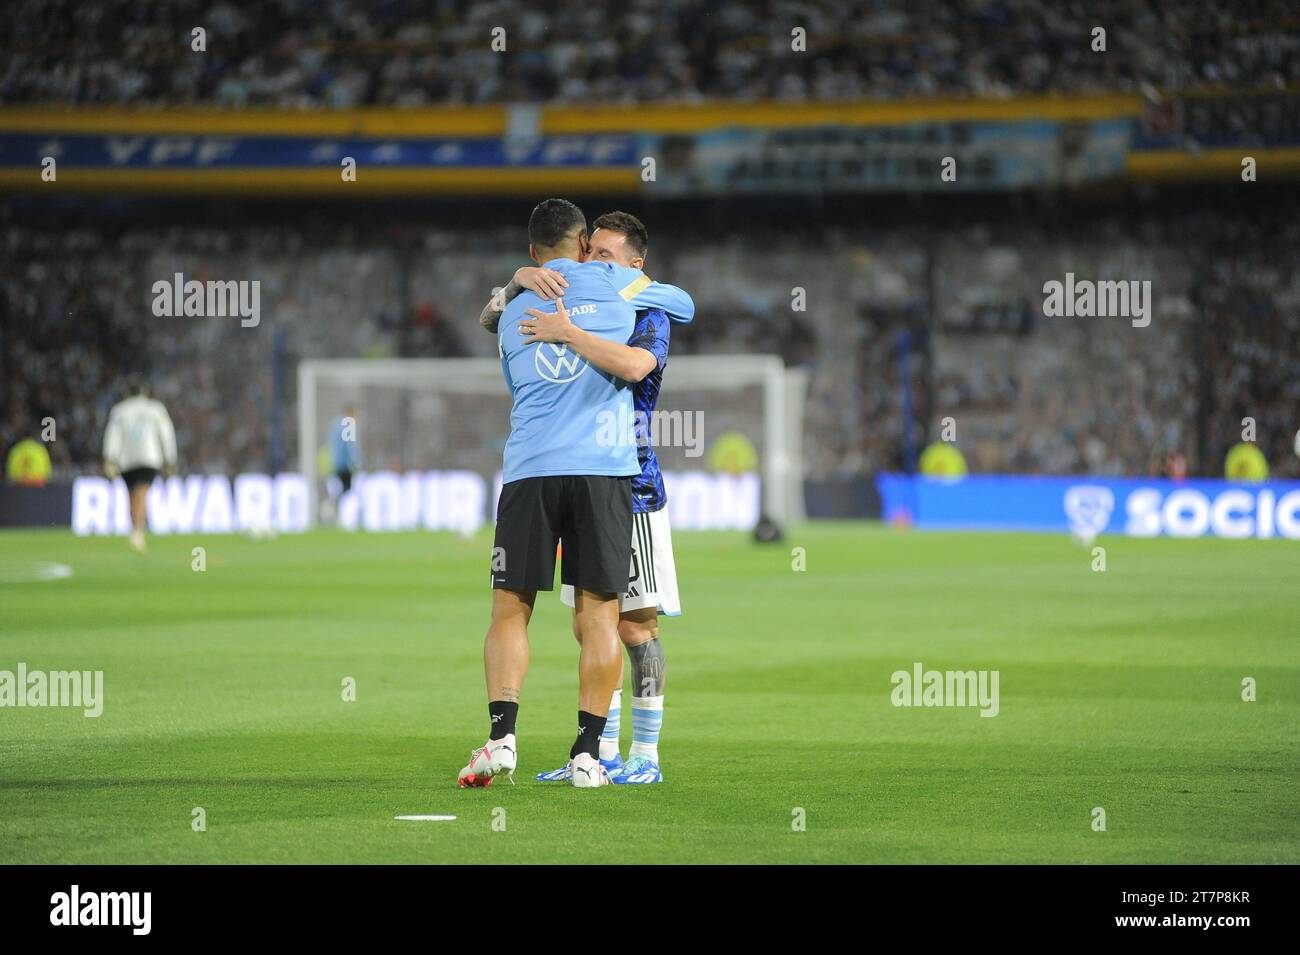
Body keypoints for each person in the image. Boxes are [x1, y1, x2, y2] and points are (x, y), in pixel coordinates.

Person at [458, 199, 694, 789]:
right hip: (598, 473)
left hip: (631, 478)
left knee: (633, 626)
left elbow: (641, 362)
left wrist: (563, 326)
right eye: (591, 249)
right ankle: (597, 751)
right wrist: (517, 281)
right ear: (577, 243)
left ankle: (645, 752)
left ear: (635, 264)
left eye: (607, 255)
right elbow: (494, 313)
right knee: (593, 621)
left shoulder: (642, 304)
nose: (593, 260)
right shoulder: (599, 291)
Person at [102, 380, 177, 553]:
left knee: (132, 494)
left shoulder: (119, 410)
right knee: (142, 492)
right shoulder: (155, 409)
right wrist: (170, 459)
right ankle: (138, 531)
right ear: (144, 392)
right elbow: (166, 434)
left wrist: (110, 458)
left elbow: (113, 436)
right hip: (149, 457)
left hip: (126, 459)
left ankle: (135, 530)